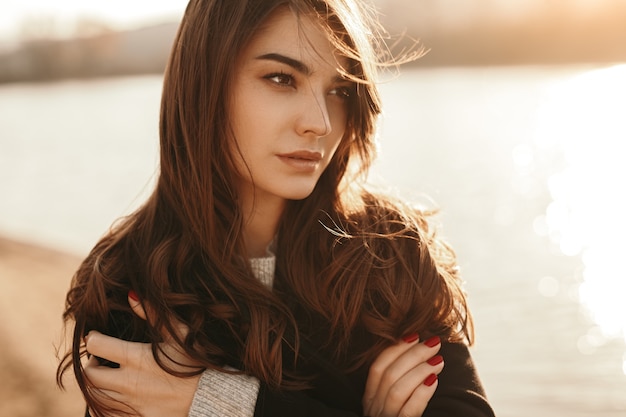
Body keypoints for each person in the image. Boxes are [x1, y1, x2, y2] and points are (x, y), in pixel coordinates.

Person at [56, 0, 495, 416]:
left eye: (340, 89)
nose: (320, 122)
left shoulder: (390, 252)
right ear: (204, 84)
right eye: (282, 79)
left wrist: (218, 402)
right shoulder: (131, 283)